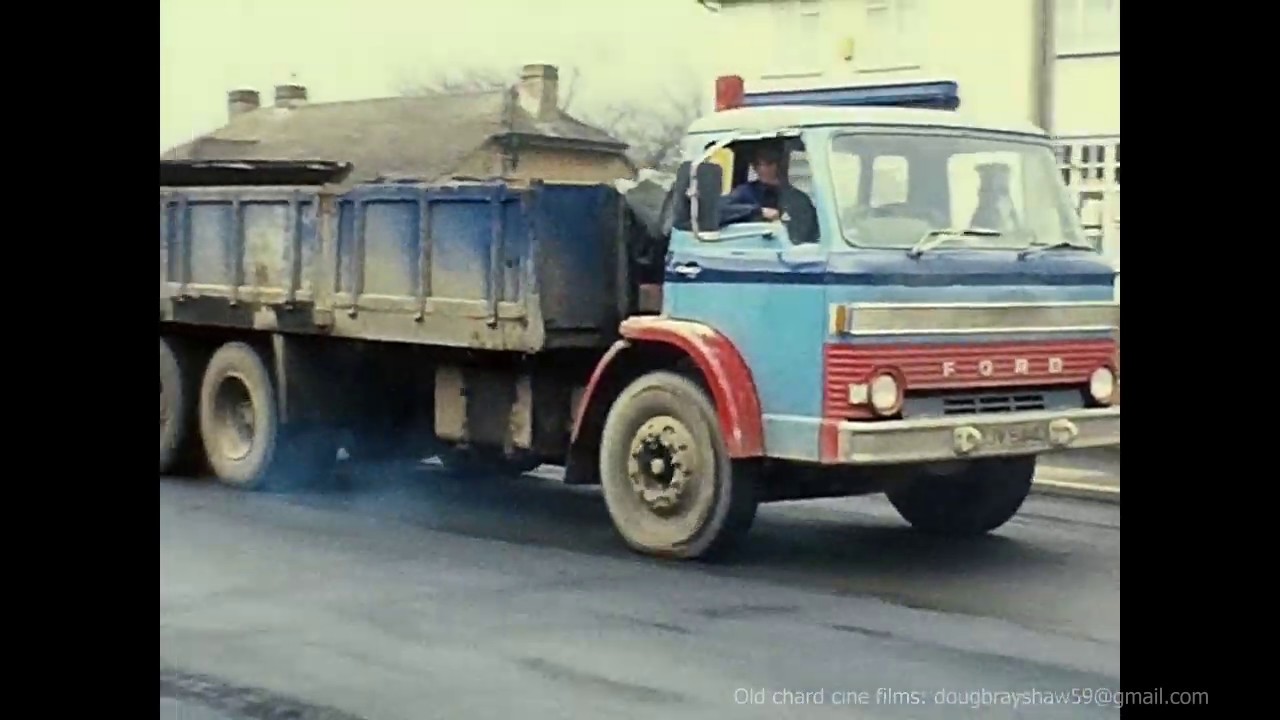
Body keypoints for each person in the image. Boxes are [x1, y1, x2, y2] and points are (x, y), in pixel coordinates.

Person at [721, 142, 820, 244]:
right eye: (758, 164)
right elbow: (715, 212)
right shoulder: (745, 192)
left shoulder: (799, 200)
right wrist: (758, 212)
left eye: (768, 163)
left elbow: (813, 236)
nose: (762, 169)